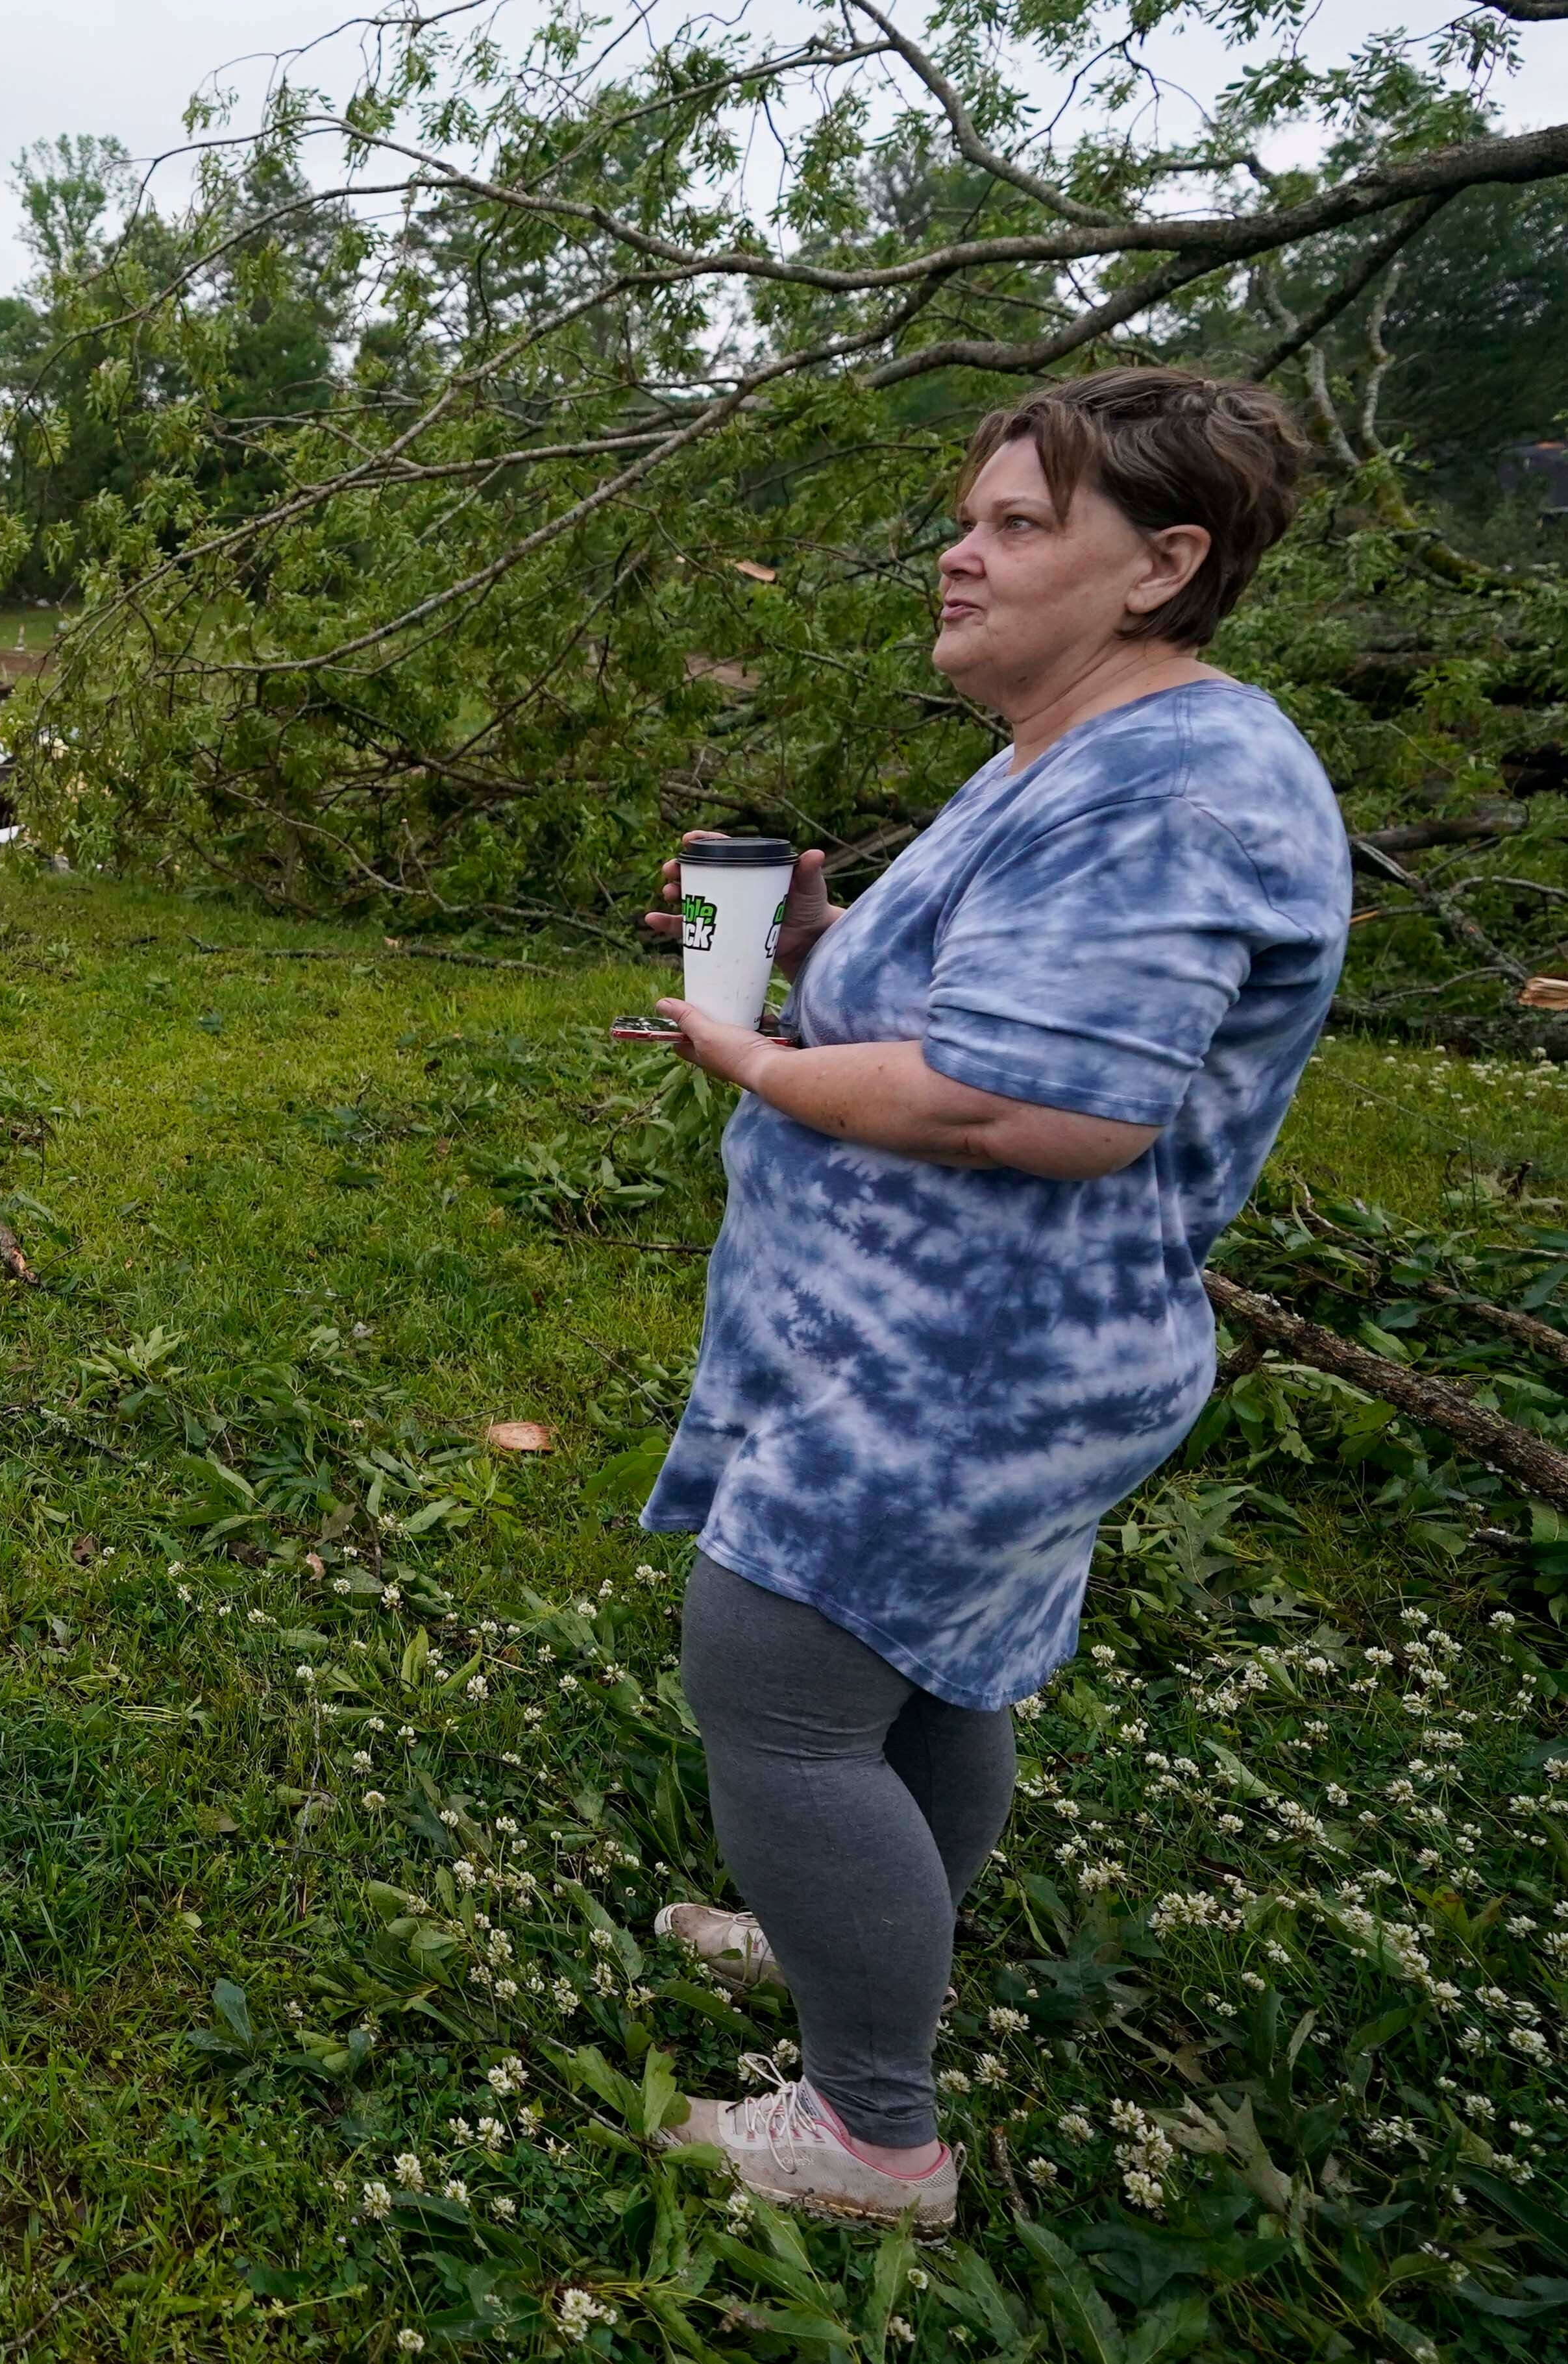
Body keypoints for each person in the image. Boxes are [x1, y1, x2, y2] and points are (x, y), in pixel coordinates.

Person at [630, 369, 1347, 2232]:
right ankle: (842, 1935)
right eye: (973, 514)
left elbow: (1040, 1100)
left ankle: (875, 2132)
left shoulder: (1178, 778)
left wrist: (761, 1063)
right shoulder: (1076, 745)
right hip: (944, 1350)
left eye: (1022, 523)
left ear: (1161, 563)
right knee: (932, 1680)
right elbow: (998, 996)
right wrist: (814, 944)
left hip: (974, 1366)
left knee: (776, 1683)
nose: (963, 549)